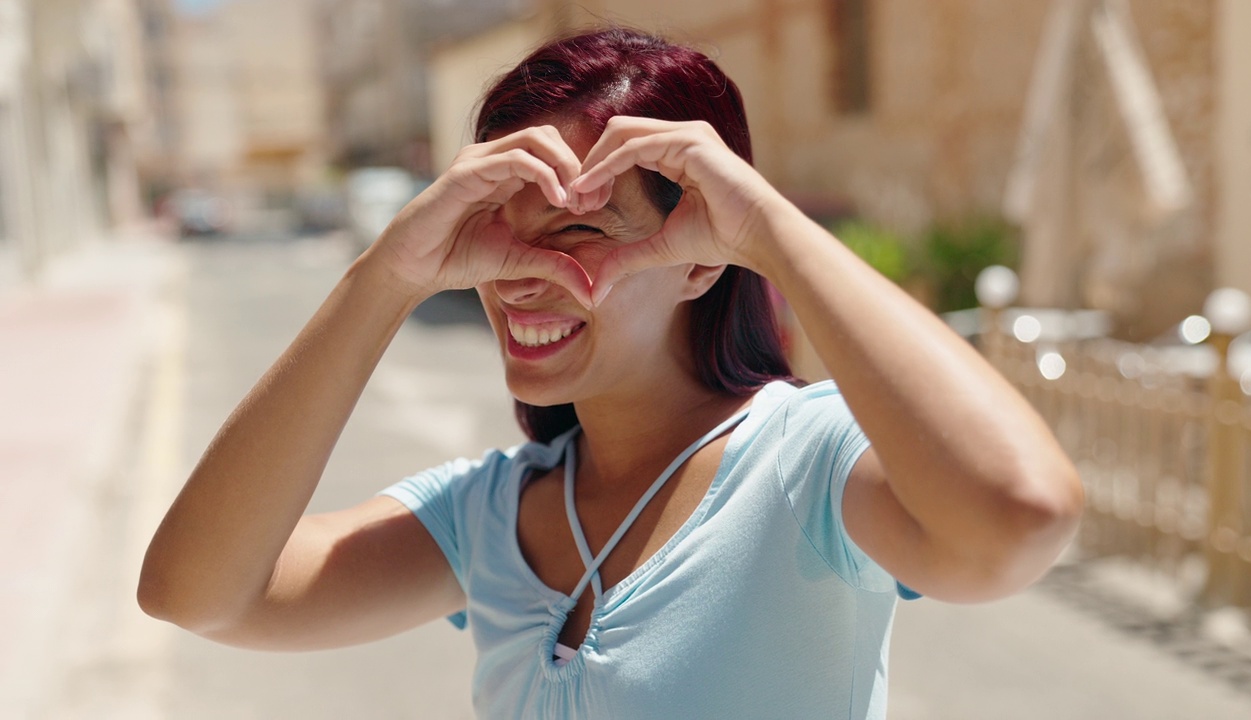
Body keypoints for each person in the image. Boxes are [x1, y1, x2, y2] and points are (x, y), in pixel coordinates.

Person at [139, 27, 1083, 719]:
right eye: (501, 238)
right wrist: (385, 277)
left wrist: (769, 231)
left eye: (582, 232)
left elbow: (1018, 514)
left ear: (703, 257)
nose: (525, 279)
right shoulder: (487, 517)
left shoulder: (806, 463)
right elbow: (196, 593)